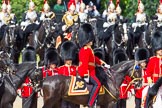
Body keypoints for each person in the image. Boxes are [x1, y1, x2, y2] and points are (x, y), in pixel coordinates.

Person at [77, 23, 110, 107]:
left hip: (92, 71)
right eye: (90, 40)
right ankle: (90, 103)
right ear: (86, 40)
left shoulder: (89, 49)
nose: (92, 41)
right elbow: (84, 63)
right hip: (88, 72)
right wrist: (85, 75)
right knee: (98, 84)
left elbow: (94, 59)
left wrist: (103, 63)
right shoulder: (84, 50)